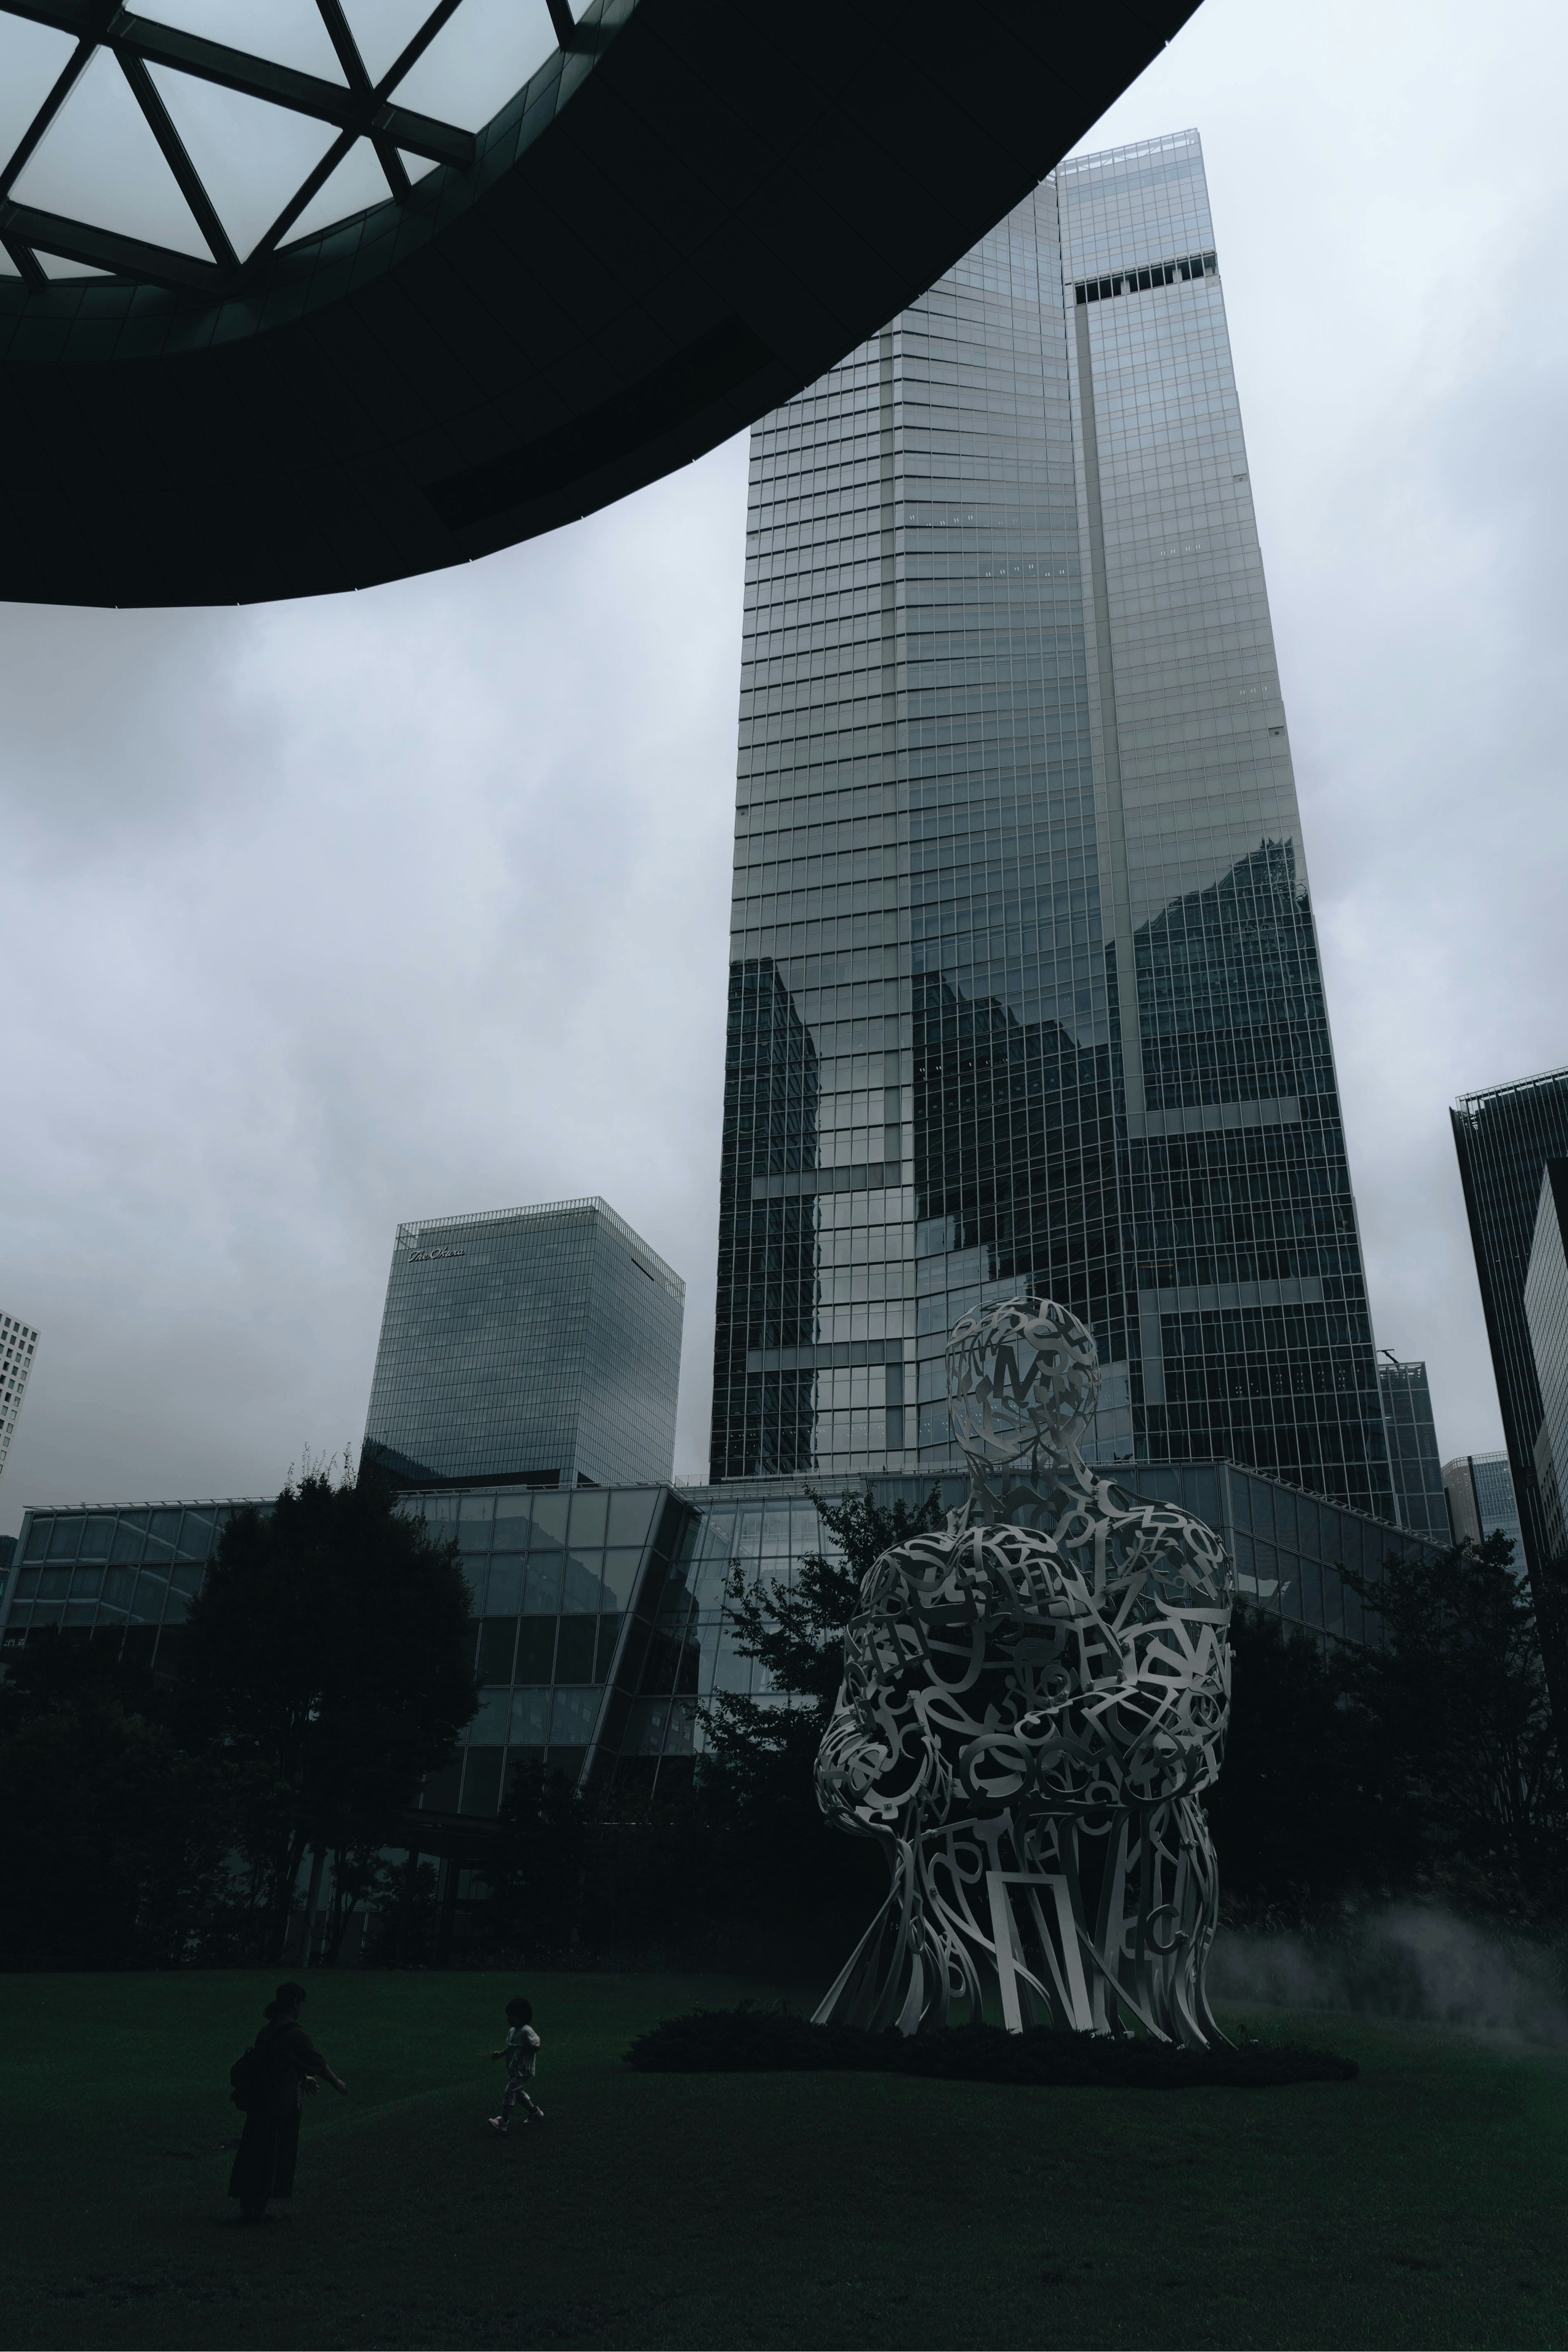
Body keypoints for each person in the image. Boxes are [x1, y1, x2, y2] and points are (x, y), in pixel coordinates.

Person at [228, 1982, 347, 2224]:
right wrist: (335, 2081)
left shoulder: (268, 2030)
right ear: (296, 2003)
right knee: (270, 2156)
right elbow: (316, 2061)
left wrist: (302, 2078)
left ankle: (248, 2210)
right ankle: (258, 2212)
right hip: (279, 2105)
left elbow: (276, 2064)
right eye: (302, 2003)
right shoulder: (295, 2033)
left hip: (259, 2103)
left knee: (253, 2154)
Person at [488, 1995, 543, 2132]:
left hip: (523, 2069)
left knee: (510, 2091)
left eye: (512, 2016)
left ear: (522, 2017)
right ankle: (535, 2112)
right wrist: (500, 2054)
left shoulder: (526, 2030)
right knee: (518, 2093)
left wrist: (536, 2046)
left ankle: (503, 2121)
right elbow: (512, 2048)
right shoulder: (512, 2031)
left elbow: (537, 2041)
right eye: (509, 2016)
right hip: (514, 2068)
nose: (509, 2019)